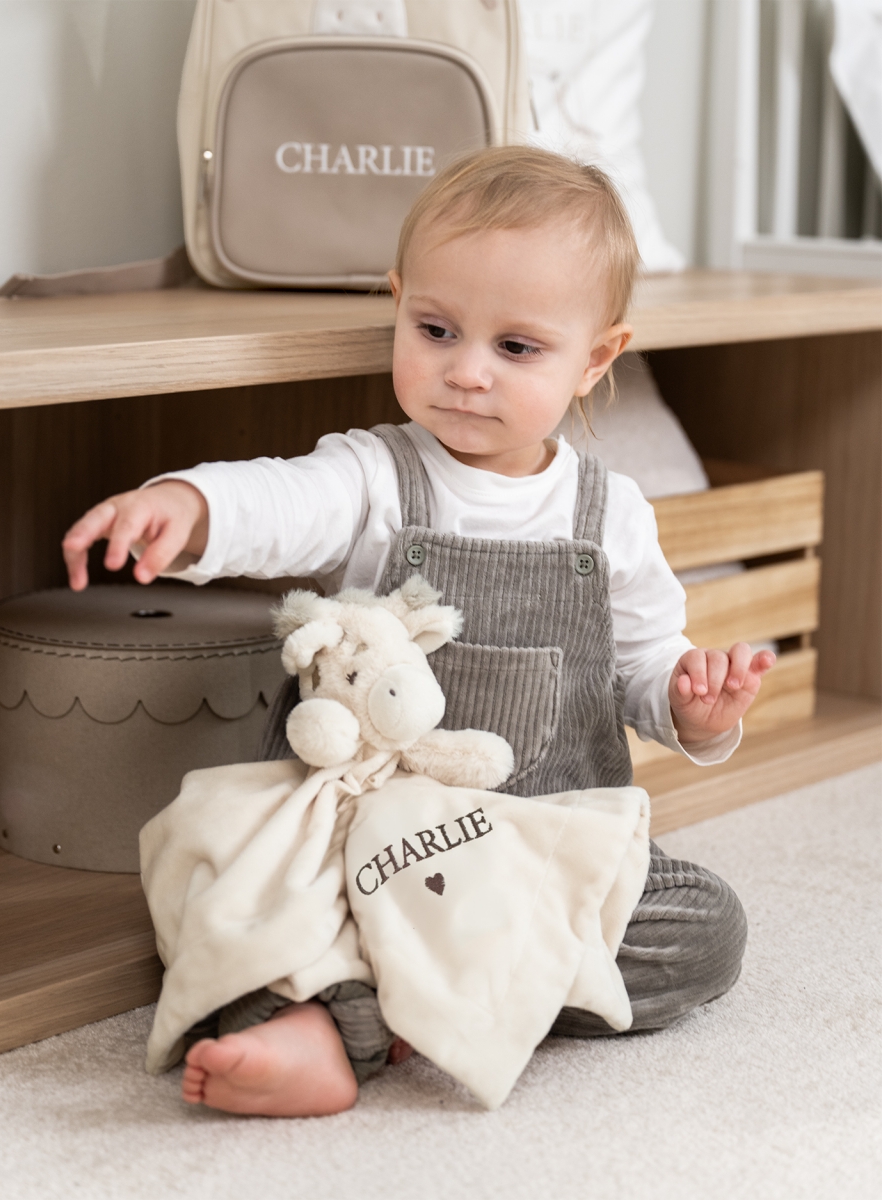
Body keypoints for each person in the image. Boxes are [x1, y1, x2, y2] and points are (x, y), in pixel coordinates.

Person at [63, 147, 772, 1117]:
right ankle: (400, 1006)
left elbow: (647, 665)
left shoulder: (613, 515)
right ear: (397, 303)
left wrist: (694, 707)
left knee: (705, 928)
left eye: (516, 348)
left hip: (527, 848)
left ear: (596, 359)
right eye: (435, 330)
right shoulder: (372, 477)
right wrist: (188, 507)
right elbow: (278, 499)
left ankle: (371, 1013)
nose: (466, 372)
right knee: (235, 896)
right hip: (370, 844)